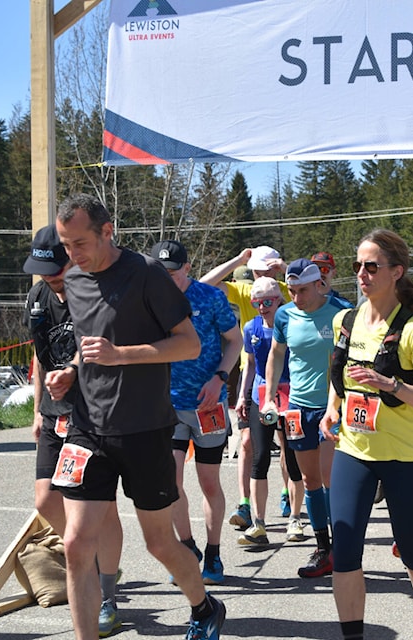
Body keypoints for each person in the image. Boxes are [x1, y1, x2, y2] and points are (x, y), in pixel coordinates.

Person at [45, 194, 224, 640]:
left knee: (159, 542)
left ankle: (203, 607)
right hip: (88, 428)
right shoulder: (76, 281)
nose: (73, 255)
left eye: (80, 243)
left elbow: (188, 345)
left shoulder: (146, 274)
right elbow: (92, 349)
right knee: (75, 544)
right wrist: (68, 374)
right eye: (66, 246)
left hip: (145, 428)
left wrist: (120, 356)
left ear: (108, 231)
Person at [320, 228, 413, 640]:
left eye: (371, 266)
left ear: (396, 272)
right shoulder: (346, 320)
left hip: (403, 457)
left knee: (412, 553)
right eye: (358, 265)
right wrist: (332, 408)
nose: (361, 273)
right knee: (345, 554)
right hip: (354, 451)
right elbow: (337, 374)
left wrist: (390, 385)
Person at [23, 224, 125, 637]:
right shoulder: (37, 297)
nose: (51, 281)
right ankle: (89, 557)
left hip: (95, 413)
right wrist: (36, 411)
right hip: (54, 411)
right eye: (44, 274)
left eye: (57, 272)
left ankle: (107, 591)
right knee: (47, 500)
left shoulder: (97, 293)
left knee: (103, 509)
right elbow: (40, 357)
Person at [149, 240, 243, 586]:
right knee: (170, 482)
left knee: (208, 481)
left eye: (173, 273)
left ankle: (214, 552)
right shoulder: (151, 300)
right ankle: (187, 548)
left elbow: (235, 341)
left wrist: (220, 379)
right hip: (168, 405)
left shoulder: (210, 297)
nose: (167, 279)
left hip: (209, 405)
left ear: (187, 268)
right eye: (161, 273)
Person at [262, 258, 352, 578]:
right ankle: (323, 548)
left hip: (333, 407)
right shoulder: (285, 314)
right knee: (310, 481)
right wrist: (270, 396)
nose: (296, 297)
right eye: (291, 290)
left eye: (302, 290)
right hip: (298, 409)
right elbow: (276, 354)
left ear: (319, 284)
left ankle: (343, 546)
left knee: (330, 479)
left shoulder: (340, 311)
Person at [200, 247, 291, 532]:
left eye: (266, 270)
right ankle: (245, 504)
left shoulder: (286, 288)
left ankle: (289, 493)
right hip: (250, 376)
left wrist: (287, 268)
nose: (260, 275)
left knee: (287, 443)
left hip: (286, 379)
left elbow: (319, 293)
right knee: (250, 443)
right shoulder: (243, 290)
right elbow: (203, 285)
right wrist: (237, 260)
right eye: (255, 270)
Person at [235, 276, 307, 546]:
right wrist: (242, 396)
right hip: (261, 395)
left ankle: (296, 518)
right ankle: (258, 523)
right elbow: (250, 365)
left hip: (291, 396)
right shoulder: (251, 328)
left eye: (268, 302)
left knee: (293, 457)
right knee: (260, 456)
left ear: (279, 300)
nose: (262, 307)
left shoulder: (293, 323)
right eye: (257, 303)